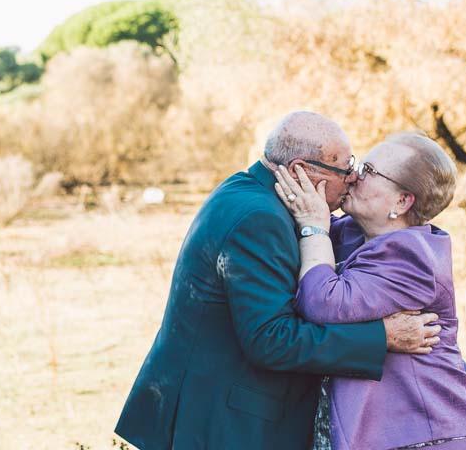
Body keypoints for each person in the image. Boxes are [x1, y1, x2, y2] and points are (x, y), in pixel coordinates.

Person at [115, 112, 441, 450]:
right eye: (345, 169)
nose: (352, 179)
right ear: (302, 170)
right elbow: (270, 339)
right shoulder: (260, 219)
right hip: (225, 424)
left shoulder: (249, 191)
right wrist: (381, 337)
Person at [273, 132, 466, 450]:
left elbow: (323, 302)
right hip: (392, 435)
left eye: (370, 171)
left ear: (402, 201)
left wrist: (314, 226)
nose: (355, 175)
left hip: (425, 436)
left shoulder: (413, 257)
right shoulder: (358, 233)